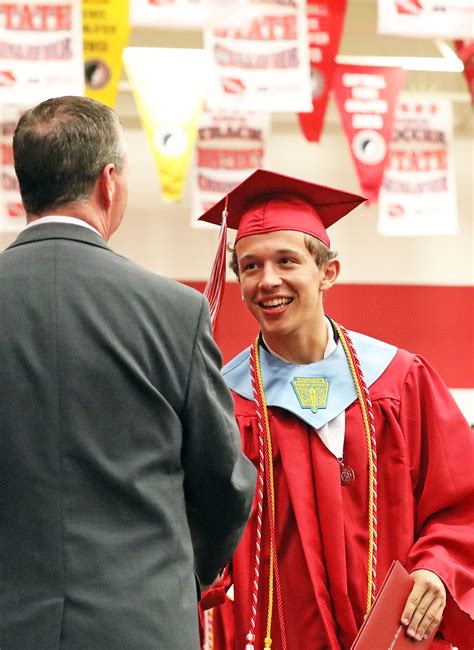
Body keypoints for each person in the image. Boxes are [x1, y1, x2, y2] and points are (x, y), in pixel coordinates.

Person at [0, 95, 256, 650]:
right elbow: (224, 483)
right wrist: (175, 576)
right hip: (141, 623)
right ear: (109, 183)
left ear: (25, 187)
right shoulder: (174, 313)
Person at [198, 169, 474, 650]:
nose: (268, 281)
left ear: (327, 272)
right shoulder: (224, 401)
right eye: (250, 266)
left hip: (392, 638)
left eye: (287, 261)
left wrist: (438, 567)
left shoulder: (399, 381)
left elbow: (461, 504)